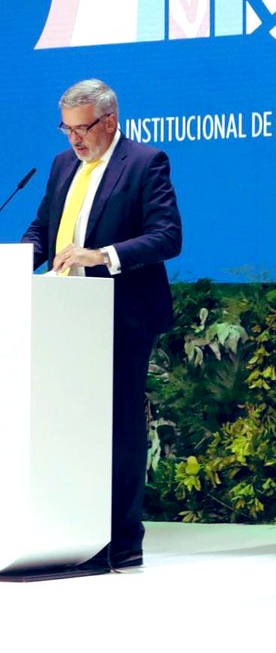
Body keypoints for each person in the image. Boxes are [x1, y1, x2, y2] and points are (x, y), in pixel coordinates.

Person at [21, 79, 182, 569]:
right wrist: (14, 261)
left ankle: (121, 543)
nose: (74, 139)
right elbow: (44, 230)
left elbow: (167, 236)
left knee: (118, 428)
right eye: (66, 129)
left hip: (122, 314)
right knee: (67, 425)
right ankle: (72, 533)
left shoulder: (145, 162)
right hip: (63, 317)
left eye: (83, 128)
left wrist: (102, 255)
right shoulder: (61, 165)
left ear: (109, 121)